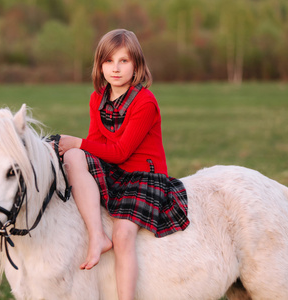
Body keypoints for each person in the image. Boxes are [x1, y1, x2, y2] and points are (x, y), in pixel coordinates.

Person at [57, 29, 190, 300]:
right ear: (100, 65)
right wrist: (69, 149)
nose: (115, 69)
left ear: (137, 66)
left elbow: (119, 151)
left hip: (144, 177)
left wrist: (76, 141)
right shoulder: (98, 98)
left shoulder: (145, 101)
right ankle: (97, 236)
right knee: (72, 157)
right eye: (108, 61)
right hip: (116, 172)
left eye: (124, 61)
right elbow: (95, 143)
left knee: (123, 234)